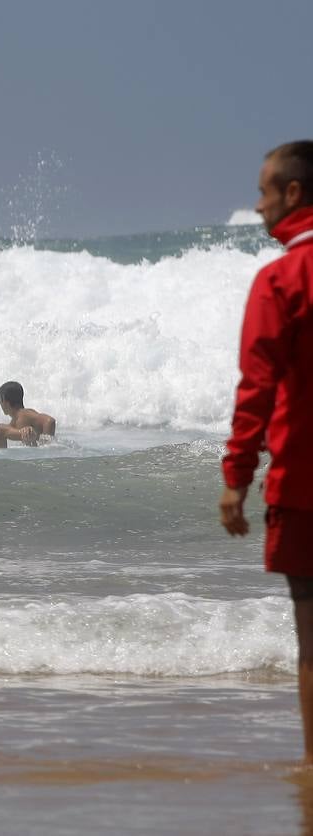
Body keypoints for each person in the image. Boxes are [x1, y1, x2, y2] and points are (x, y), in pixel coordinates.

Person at [219, 140, 313, 765]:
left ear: (294, 195)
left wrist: (236, 478)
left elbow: (258, 388)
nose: (256, 207)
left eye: (263, 192)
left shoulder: (281, 278)